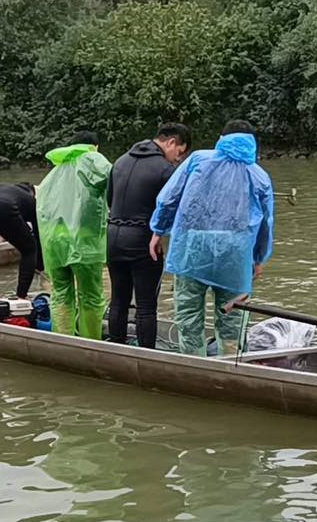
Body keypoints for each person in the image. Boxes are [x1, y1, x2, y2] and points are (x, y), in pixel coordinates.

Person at [149, 120, 274, 356]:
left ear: (221, 138)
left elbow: (169, 198)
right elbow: (265, 221)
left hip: (192, 248)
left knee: (188, 316)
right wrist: (258, 258)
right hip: (235, 253)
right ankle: (230, 364)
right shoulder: (258, 174)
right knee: (232, 317)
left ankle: (193, 366)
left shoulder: (198, 160)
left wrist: (158, 231)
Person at [106, 123, 190, 347]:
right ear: (171, 142)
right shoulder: (165, 169)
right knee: (145, 305)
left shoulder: (120, 161)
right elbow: (174, 208)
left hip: (112, 237)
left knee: (118, 300)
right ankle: (146, 354)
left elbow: (110, 199)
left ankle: (115, 346)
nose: (177, 160)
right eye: (179, 153)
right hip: (144, 241)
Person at [38, 131, 113, 340]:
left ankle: (63, 341)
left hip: (54, 243)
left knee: (61, 295)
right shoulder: (93, 159)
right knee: (90, 296)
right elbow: (117, 183)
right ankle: (90, 342)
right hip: (84, 242)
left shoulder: (54, 172)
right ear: (95, 146)